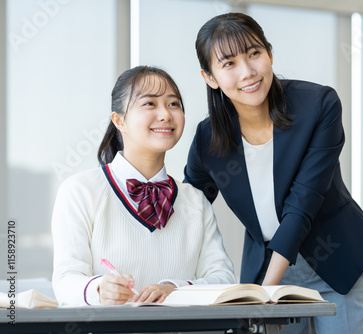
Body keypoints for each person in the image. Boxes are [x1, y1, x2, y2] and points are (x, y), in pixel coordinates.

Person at [184, 12, 363, 333]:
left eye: (254, 54)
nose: (247, 72)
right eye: (229, 63)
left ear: (270, 54)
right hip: (268, 270)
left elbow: (303, 202)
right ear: (210, 77)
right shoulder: (208, 138)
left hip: (336, 262)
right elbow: (189, 208)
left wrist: (266, 292)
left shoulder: (317, 105)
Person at [52, 66, 236, 306]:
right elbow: (65, 280)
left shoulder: (195, 200)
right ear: (120, 120)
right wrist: (98, 288)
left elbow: (223, 279)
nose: (165, 115)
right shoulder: (80, 190)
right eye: (149, 104)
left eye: (173, 104)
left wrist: (176, 289)